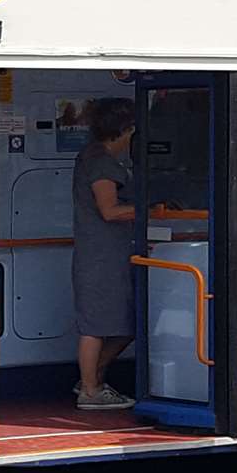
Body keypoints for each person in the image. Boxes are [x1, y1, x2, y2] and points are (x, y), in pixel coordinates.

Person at [71, 97, 138, 410]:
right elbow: (109, 210)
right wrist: (147, 211)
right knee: (97, 325)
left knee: (122, 322)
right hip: (102, 255)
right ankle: (90, 389)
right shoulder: (102, 163)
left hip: (107, 252)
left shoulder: (93, 156)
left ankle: (93, 378)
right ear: (124, 130)